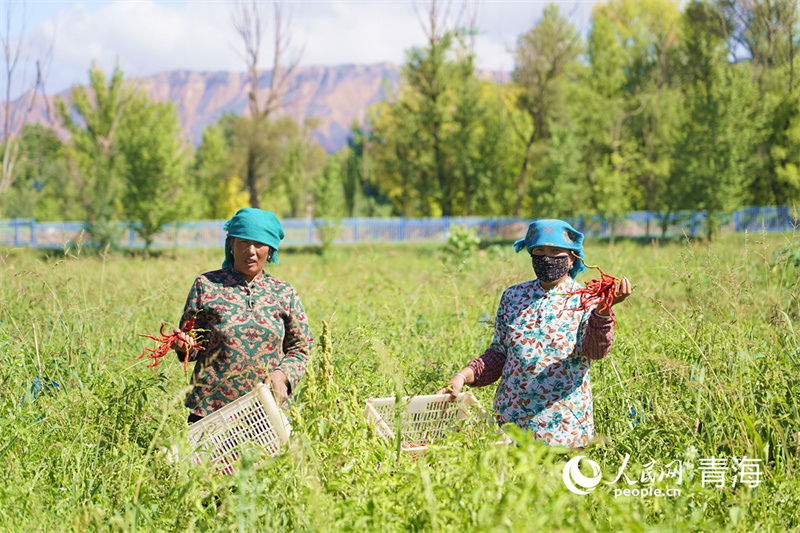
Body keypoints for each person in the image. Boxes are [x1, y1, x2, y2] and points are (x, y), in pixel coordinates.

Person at [439, 219, 631, 448]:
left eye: (556, 251)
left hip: (564, 428)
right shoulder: (513, 296)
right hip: (512, 426)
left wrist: (601, 313)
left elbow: (595, 352)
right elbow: (500, 353)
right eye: (539, 250)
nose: (547, 257)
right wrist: (462, 376)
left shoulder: (585, 299)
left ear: (572, 258)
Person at [172, 208, 312, 424]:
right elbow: (191, 341)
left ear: (271, 250)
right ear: (231, 245)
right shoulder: (207, 286)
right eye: (244, 242)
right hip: (211, 411)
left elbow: (300, 348)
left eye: (260, 244)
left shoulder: (284, 293)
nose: (252, 251)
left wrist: (282, 375)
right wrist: (184, 346)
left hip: (266, 410)